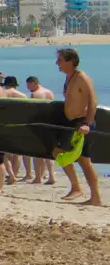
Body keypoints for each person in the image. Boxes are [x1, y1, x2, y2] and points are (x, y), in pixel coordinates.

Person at [55, 48, 102, 207]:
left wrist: (87, 124)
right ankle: (76, 187)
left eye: (60, 60)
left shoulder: (82, 77)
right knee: (58, 152)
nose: (57, 63)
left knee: (84, 161)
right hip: (71, 123)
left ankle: (95, 197)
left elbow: (93, 101)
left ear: (70, 61)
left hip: (82, 123)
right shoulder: (69, 77)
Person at [26, 75, 56, 185]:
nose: (28, 88)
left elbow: (32, 111)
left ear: (34, 83)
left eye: (28, 85)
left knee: (37, 153)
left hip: (39, 125)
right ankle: (51, 176)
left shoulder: (35, 94)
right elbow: (54, 109)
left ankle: (38, 177)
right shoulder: (49, 92)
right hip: (50, 125)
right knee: (49, 153)